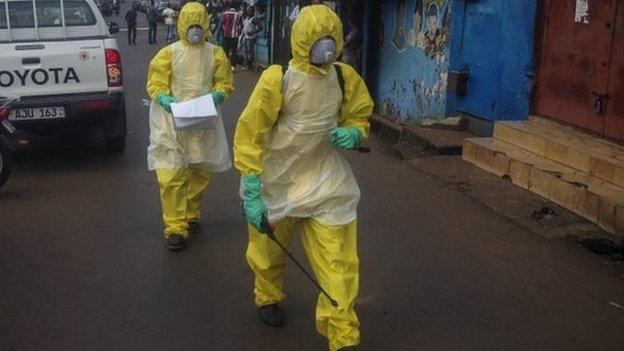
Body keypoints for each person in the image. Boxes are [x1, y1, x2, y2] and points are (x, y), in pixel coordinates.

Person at [233, 5, 373, 351]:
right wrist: (251, 184)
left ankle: (343, 334)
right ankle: (267, 295)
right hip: (277, 180)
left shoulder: (343, 77)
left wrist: (355, 132)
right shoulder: (277, 78)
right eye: (318, 41)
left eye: (330, 40)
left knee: (338, 262)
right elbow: (251, 131)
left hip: (325, 180)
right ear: (301, 40)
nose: (325, 48)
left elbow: (359, 113)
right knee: (268, 252)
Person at [146, 1, 234, 251]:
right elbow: (156, 82)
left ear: (205, 24)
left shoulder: (215, 53)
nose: (195, 29)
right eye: (191, 24)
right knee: (171, 172)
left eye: (199, 24)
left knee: (200, 168)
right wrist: (163, 97)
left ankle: (190, 213)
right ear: (182, 24)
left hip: (203, 118)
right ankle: (175, 226)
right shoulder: (168, 54)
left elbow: (224, 81)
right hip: (171, 119)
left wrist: (219, 94)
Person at [221, 2, 243, 69]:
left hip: (226, 35)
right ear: (236, 7)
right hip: (235, 36)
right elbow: (241, 25)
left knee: (226, 50)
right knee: (234, 51)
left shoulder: (225, 14)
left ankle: (226, 65)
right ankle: (233, 66)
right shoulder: (239, 15)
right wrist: (238, 33)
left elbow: (222, 25)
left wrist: (223, 33)